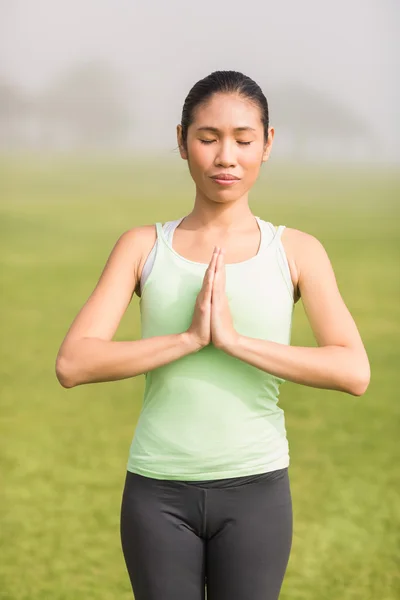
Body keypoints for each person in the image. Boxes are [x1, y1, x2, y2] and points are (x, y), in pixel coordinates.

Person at [55, 70, 370, 600]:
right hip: (157, 493)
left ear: (267, 144)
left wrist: (236, 342)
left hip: (257, 492)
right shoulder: (141, 247)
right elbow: (73, 363)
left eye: (244, 140)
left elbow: (354, 371)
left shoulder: (296, 252)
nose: (227, 156)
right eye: (208, 138)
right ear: (181, 141)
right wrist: (187, 339)